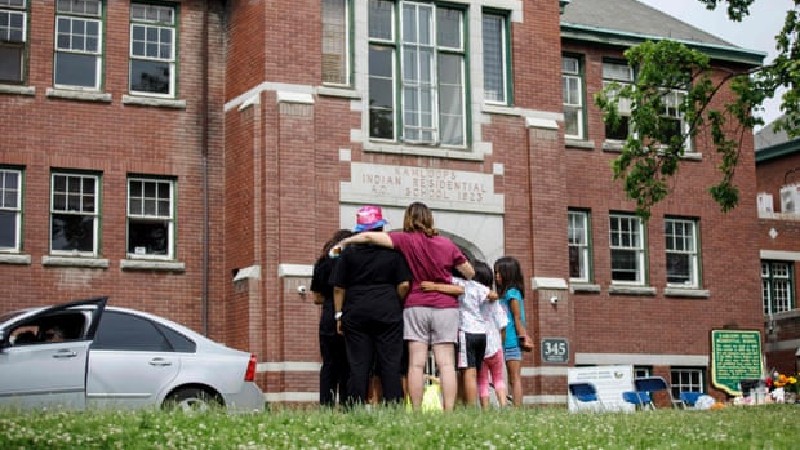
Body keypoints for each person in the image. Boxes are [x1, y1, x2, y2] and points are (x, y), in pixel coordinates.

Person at [336, 201, 474, 411]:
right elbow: (469, 272)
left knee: (416, 363)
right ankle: (448, 411)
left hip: (416, 304)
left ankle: (416, 410)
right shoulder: (447, 244)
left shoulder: (404, 240)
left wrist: (346, 242)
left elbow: (370, 237)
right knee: (446, 363)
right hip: (446, 307)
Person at [331, 205, 412, 406]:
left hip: (356, 311)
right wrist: (394, 299)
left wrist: (339, 314)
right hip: (388, 311)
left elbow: (338, 288)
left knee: (358, 363)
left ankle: (356, 405)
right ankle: (393, 405)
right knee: (390, 362)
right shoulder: (394, 254)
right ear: (380, 229)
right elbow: (404, 284)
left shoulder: (349, 255)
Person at [420, 260, 497, 408]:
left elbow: (455, 289)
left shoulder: (454, 281)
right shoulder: (477, 286)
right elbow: (493, 295)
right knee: (473, 371)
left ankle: (470, 407)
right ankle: (465, 404)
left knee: (468, 372)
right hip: (481, 333)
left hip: (466, 331)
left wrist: (434, 287)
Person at [311, 229, 354, 407]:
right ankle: (346, 404)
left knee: (329, 364)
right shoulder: (351, 261)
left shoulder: (322, 263)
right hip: (350, 314)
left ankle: (326, 404)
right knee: (348, 364)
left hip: (328, 317)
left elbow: (317, 298)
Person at [495, 256, 530, 407]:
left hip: (512, 340)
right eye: (495, 273)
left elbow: (517, 318)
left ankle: (517, 408)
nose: (497, 277)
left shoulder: (512, 294)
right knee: (510, 377)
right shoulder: (505, 294)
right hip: (504, 339)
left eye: (499, 273)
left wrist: (523, 337)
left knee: (515, 377)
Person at [478, 275, 508, 409]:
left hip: (480, 347)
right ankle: (503, 405)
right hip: (496, 346)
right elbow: (502, 324)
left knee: (483, 381)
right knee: (498, 379)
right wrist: (501, 342)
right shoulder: (494, 302)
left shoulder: (473, 302)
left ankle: (485, 409)